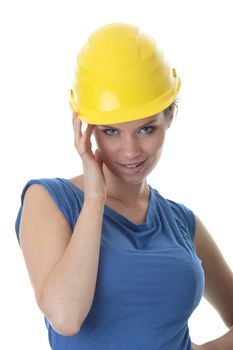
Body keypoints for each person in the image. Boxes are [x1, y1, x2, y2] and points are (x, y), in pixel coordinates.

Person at [15, 23, 233, 350]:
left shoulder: (182, 223)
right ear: (86, 128)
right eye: (112, 131)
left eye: (146, 129)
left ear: (169, 118)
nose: (130, 151)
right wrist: (94, 197)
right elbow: (65, 316)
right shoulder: (48, 200)